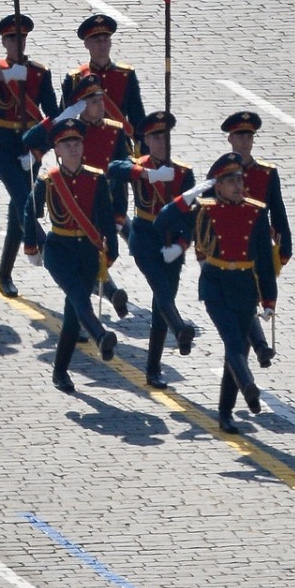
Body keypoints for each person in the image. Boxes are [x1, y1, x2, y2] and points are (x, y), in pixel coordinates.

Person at [159, 152, 279, 434]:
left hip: (245, 286)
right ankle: (249, 386)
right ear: (218, 185)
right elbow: (163, 221)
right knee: (233, 342)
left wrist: (269, 299)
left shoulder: (256, 211)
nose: (238, 185)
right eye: (230, 181)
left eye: (239, 179)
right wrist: (191, 194)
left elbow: (263, 258)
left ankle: (225, 412)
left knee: (238, 350)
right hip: (216, 286)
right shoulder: (204, 209)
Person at [24, 118, 121, 394]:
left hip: (88, 253)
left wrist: (111, 251)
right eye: (67, 143)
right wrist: (31, 246)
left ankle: (60, 370)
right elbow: (29, 211)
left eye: (77, 142)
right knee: (79, 297)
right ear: (57, 149)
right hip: (59, 250)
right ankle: (101, 336)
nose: (74, 148)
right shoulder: (49, 181)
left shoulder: (95, 178)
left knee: (71, 315)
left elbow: (105, 217)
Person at [0, 14, 59, 297]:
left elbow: (53, 117)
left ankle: (4, 275)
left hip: (29, 148)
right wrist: (4, 75)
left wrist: (39, 151)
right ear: (4, 43)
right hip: (4, 146)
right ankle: (50, 251)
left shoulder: (40, 73)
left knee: (17, 213)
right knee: (24, 201)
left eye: (21, 39)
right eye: (11, 39)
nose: (17, 44)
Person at [108, 112, 197, 387]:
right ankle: (180, 329)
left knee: (162, 304)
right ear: (146, 140)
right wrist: (148, 174)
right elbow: (113, 168)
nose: (162, 142)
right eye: (157, 137)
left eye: (166, 137)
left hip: (171, 243)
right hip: (145, 239)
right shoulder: (139, 167)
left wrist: (182, 245)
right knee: (161, 290)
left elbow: (193, 217)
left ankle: (152, 368)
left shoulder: (183, 172)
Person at [222, 111, 289, 366]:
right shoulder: (220, 173)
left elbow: (278, 211)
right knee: (245, 303)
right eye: (240, 135)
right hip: (230, 252)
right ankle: (259, 348)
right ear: (230, 139)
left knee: (247, 304)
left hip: (259, 251)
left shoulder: (267, 173)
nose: (245, 141)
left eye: (249, 136)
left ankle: (244, 363)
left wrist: (284, 248)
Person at [61, 16, 147, 142]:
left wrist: (143, 148)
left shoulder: (126, 75)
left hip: (119, 143)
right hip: (86, 143)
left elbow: (136, 114)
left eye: (105, 39)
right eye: (97, 40)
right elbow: (64, 117)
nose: (102, 45)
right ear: (86, 44)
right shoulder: (76, 78)